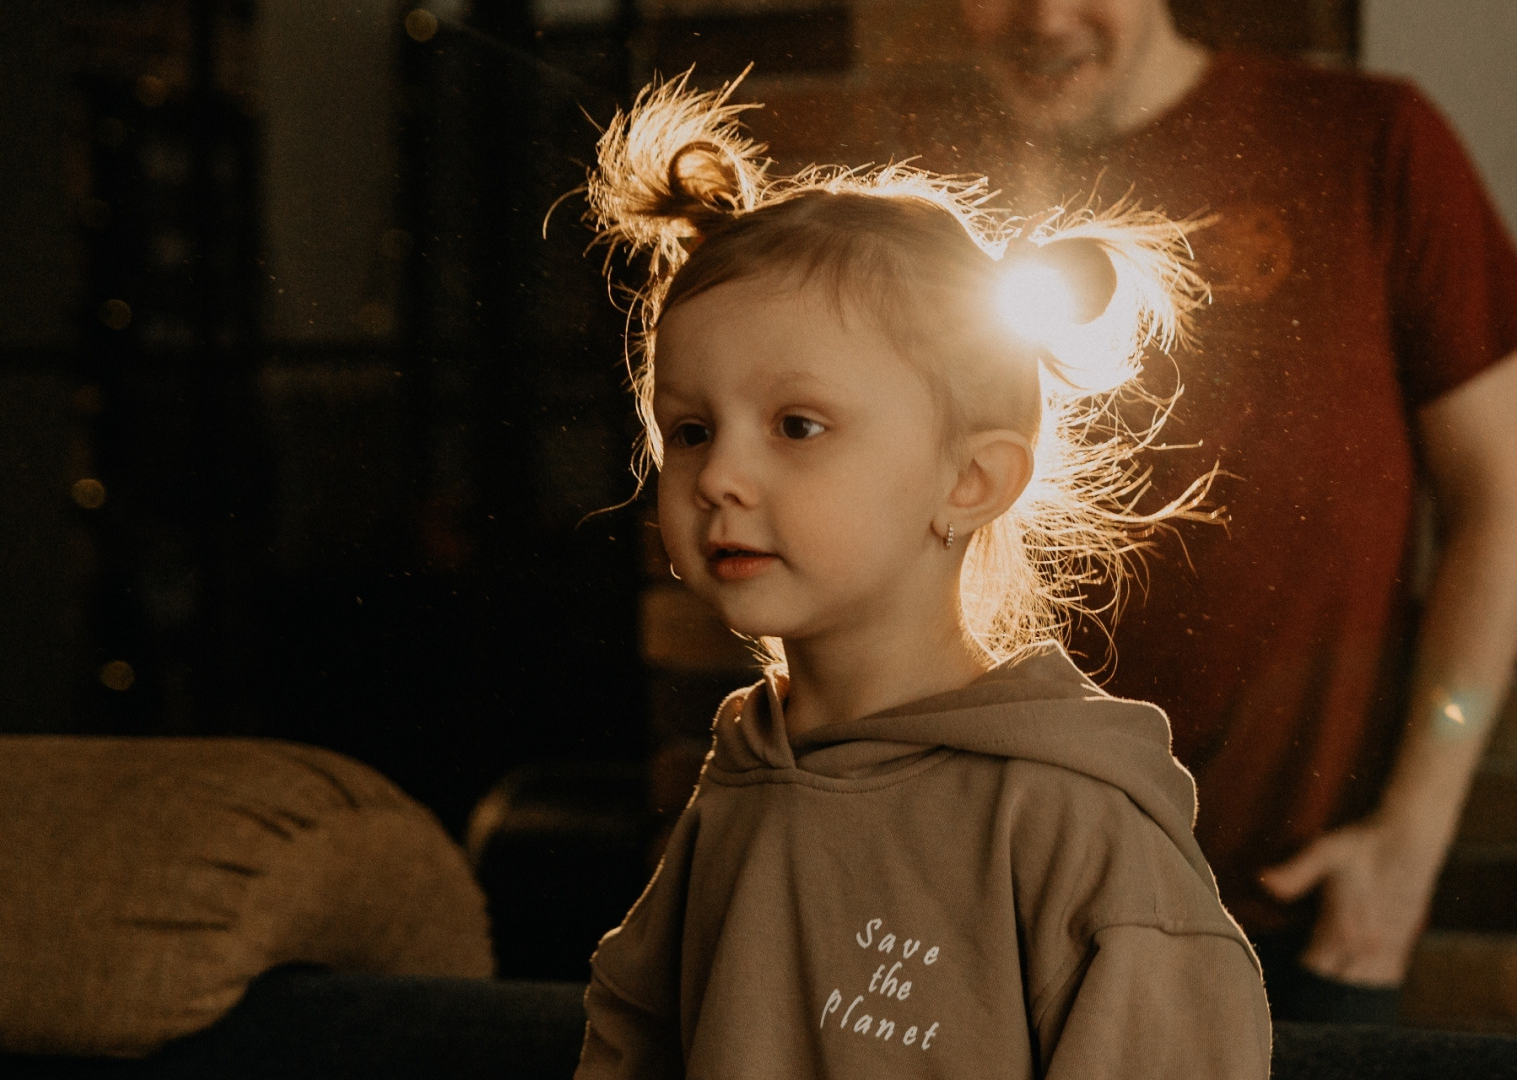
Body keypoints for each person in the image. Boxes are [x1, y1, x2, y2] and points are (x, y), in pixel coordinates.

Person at [571, 74, 1270, 1079]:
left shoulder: (1070, 823)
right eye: (689, 430)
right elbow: (631, 1033)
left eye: (797, 426)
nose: (717, 475)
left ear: (971, 480)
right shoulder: (744, 776)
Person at [943, 0, 1517, 1022]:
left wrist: (1413, 838)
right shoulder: (931, 196)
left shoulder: (1369, 138)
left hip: (1300, 913)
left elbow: (1501, 503)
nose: (1041, 16)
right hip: (1002, 908)